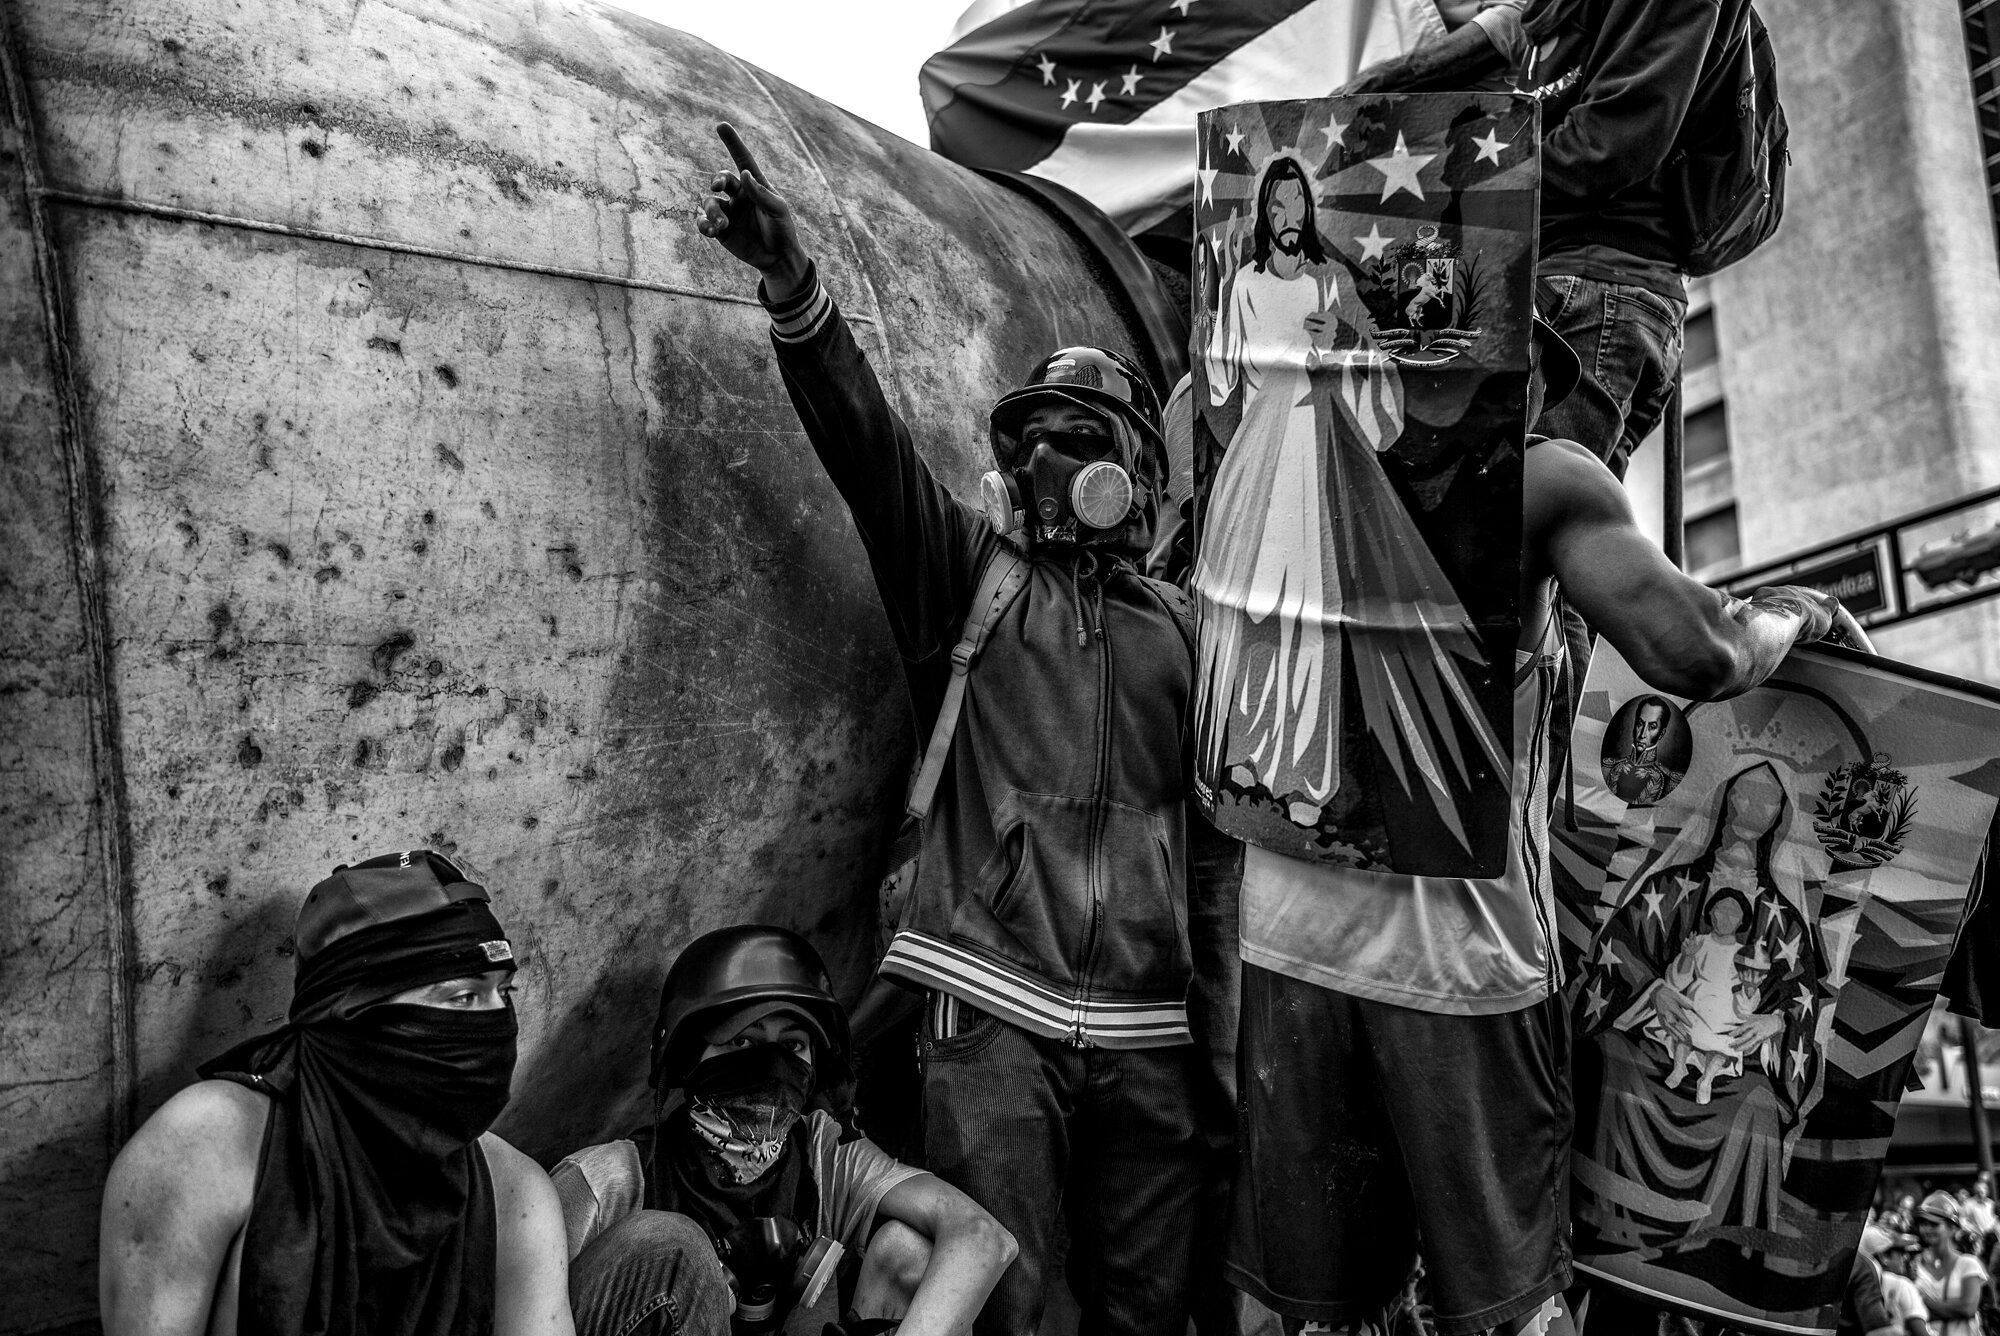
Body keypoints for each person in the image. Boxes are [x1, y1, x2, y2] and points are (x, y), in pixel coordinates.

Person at [1223, 318, 1862, 1336]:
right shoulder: (1538, 476)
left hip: (1283, 946)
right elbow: (1693, 652)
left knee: (1289, 1314)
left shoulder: (1269, 454)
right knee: (1511, 1313)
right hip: (1455, 963)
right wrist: (1792, 611)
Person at [696, 124, 1223, 1336]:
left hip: (1151, 1026)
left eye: (1079, 441)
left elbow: (1227, 836)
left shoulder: (1187, 634)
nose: (1044, 459)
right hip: (983, 1007)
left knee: (1157, 1304)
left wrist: (1226, 1037)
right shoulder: (974, 579)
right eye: (1026, 438)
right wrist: (793, 286)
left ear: (1138, 472)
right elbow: (867, 451)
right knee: (1012, 1300)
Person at [99, 850, 572, 1336]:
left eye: (503, 993)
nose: (495, 1022)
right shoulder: (204, 1150)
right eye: (462, 997)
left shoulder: (514, 1193)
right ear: (351, 1010)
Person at [1196, 151, 1501, 832]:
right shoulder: (1242, 286)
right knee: (1250, 602)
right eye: (1274, 206)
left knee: (1311, 607)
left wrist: (1341, 345)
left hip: (1309, 450)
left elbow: (1375, 374)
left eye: (1295, 204)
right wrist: (1211, 320)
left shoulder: (1331, 282)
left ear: (1307, 209)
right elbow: (1223, 385)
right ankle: (1248, 751)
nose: (1286, 216)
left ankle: (1306, 775)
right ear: (1263, 215)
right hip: (1257, 451)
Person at [552, 926, 1014, 1336]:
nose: (771, 1066)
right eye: (742, 1042)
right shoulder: (605, 1183)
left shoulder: (825, 1156)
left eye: (793, 1045)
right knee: (669, 1243)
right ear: (687, 1056)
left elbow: (983, 1237)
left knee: (910, 1253)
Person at [1915, 1192, 1988, 1336]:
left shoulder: (1969, 1263)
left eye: (1934, 1224)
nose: (1927, 1229)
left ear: (1952, 1228)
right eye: (1923, 1223)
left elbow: (1968, 1308)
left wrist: (1924, 1301)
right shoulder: (1914, 1265)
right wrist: (1952, 1308)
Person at [1602, 696, 1685, 804]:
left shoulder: (1667, 780)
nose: (1642, 734)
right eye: (1640, 724)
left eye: (1652, 727)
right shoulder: (1611, 767)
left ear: (1661, 733)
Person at [1867, 1227, 1934, 1336]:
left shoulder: (1858, 1283)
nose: (1907, 1258)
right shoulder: (1901, 1284)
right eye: (1902, 1253)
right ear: (1884, 1256)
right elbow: (1920, 1331)